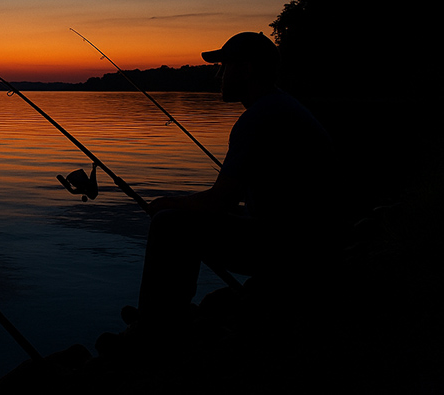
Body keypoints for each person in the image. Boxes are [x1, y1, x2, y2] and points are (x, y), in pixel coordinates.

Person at [129, 32, 333, 328]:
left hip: (292, 251)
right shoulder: (281, 106)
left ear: (247, 70)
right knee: (196, 215)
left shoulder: (258, 119)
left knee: (169, 223)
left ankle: (157, 325)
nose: (219, 75)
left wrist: (168, 203)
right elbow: (238, 200)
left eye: (224, 66)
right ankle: (168, 314)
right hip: (311, 240)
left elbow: (218, 200)